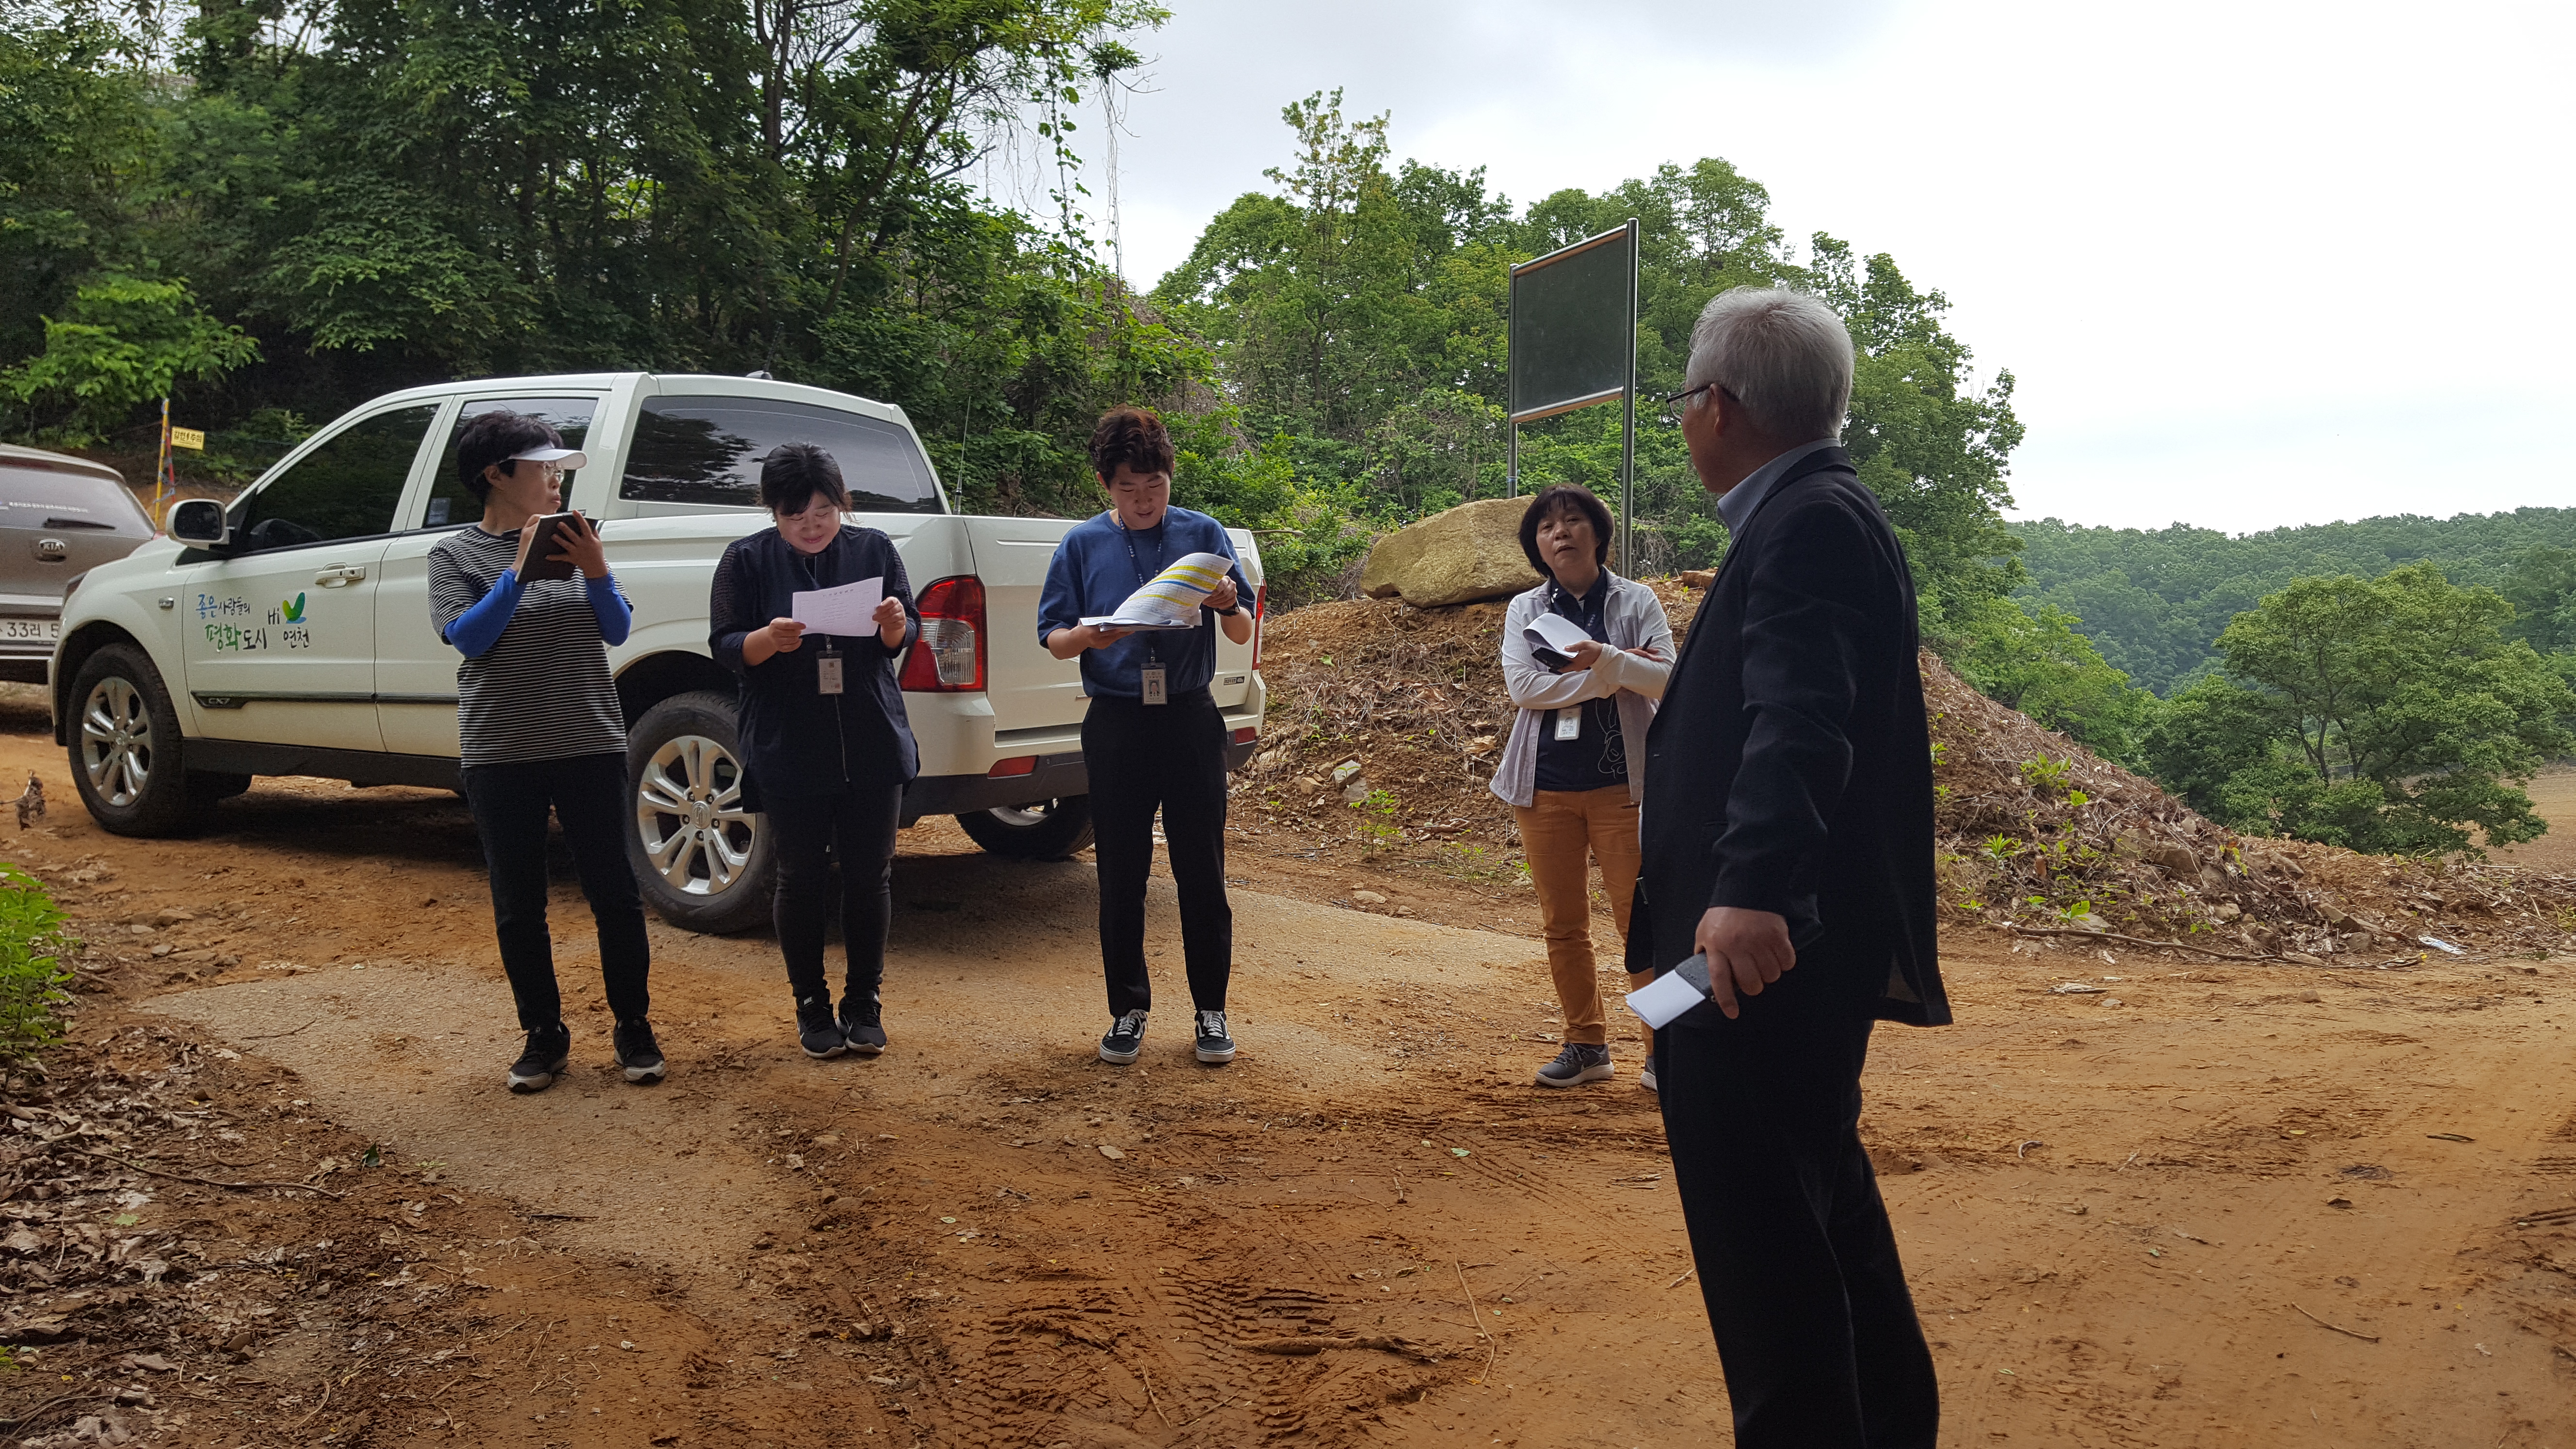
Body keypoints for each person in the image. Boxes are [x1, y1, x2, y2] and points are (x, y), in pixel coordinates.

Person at [1630, 285, 1949, 1447]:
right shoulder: (1817, 507)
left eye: (1681, 400)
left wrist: (1750, 886)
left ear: (1713, 405)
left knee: (1769, 1278)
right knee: (1822, 1225)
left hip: (1757, 958)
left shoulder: (1805, 520)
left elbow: (1802, 719)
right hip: (1787, 957)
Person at [430, 410, 662, 1095]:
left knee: (615, 894)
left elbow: (616, 629)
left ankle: (635, 1028)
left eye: (560, 469)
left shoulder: (582, 542)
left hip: (589, 740)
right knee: (518, 902)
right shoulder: (454, 555)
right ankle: (544, 1035)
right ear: (496, 476)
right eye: (543, 467)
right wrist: (520, 572)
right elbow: (468, 639)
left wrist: (594, 570)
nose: (556, 480)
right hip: (501, 751)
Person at [1037, 406, 1255, 1067]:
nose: (1144, 501)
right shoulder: (1080, 545)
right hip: (1117, 722)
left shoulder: (1202, 533)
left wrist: (1227, 605)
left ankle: (1210, 1012)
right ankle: (1127, 1009)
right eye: (1129, 489)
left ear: (1169, 479)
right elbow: (1053, 639)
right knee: (1121, 871)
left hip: (1189, 717)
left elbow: (1243, 631)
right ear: (1105, 483)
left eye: (1155, 487)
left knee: (1201, 869)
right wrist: (1089, 636)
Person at [709, 444, 920, 1060]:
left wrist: (890, 623)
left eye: (825, 510)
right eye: (796, 513)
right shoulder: (745, 559)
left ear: (841, 504)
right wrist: (765, 640)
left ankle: (864, 1001)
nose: (812, 524)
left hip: (870, 737)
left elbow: (901, 629)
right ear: (772, 511)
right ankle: (810, 1001)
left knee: (869, 875)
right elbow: (724, 644)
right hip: (788, 741)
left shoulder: (873, 549)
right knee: (799, 876)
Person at [1491, 485, 1672, 1089]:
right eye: (1546, 527)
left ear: (1598, 534)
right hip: (1543, 787)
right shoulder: (1523, 610)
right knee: (1562, 923)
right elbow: (1525, 690)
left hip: (1625, 787)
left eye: (1572, 522)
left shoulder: (1635, 599)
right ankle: (1585, 1044)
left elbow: (1669, 679)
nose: (1560, 533)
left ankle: (1663, 1051)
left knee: (1643, 922)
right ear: (1535, 545)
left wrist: (1606, 659)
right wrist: (1615, 670)